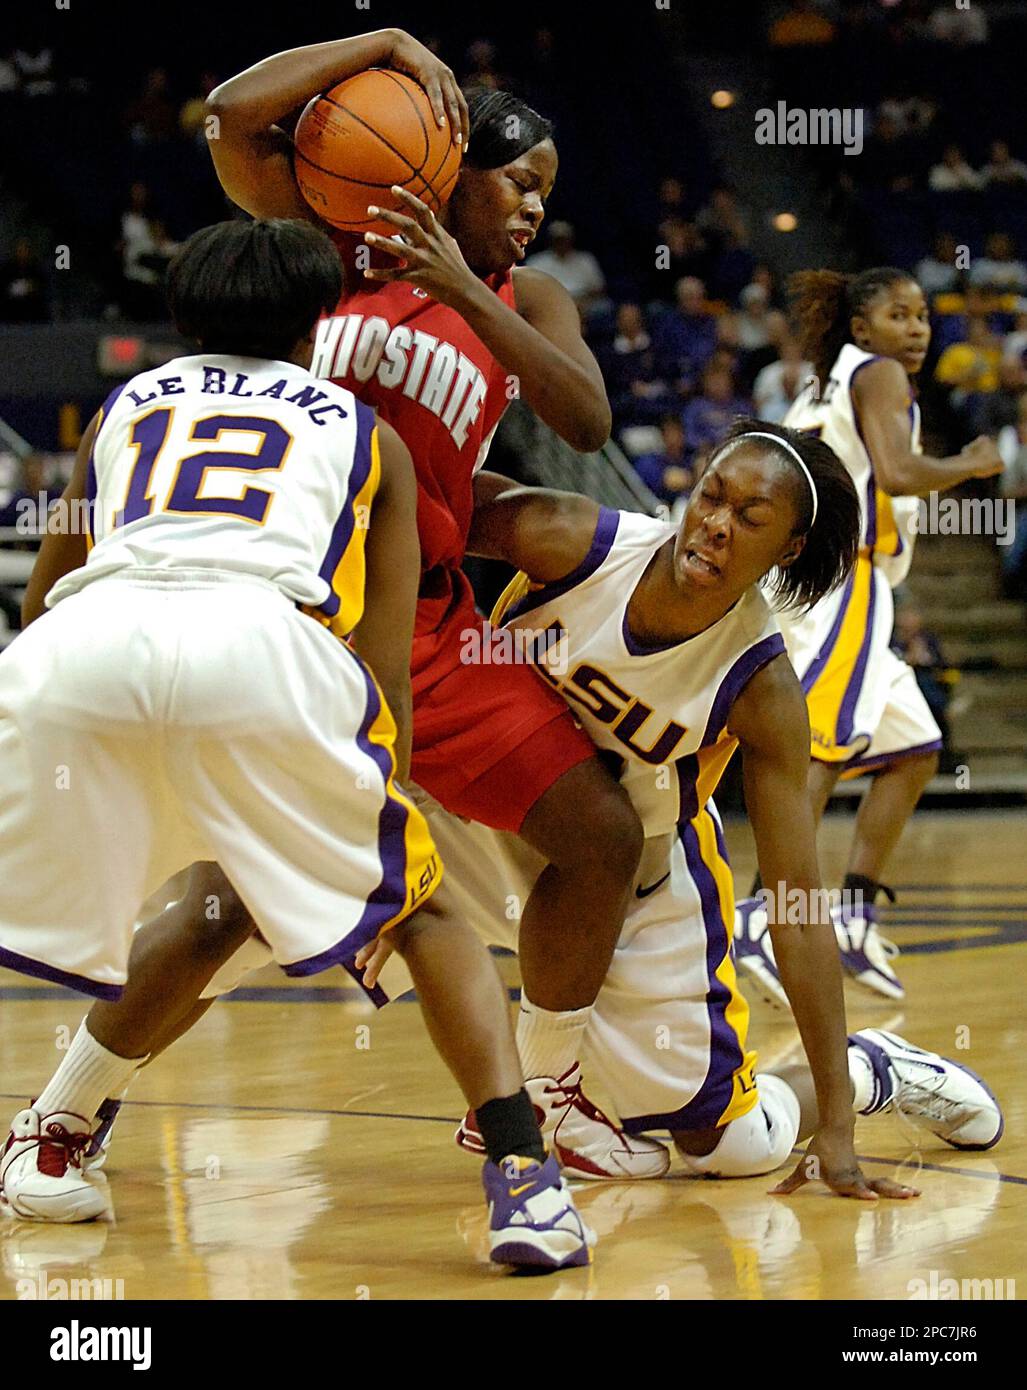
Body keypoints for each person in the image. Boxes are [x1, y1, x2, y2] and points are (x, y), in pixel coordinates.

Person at [11, 28, 656, 1183]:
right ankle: (63, 1114)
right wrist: (387, 44)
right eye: (517, 182)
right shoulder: (329, 247)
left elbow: (586, 420)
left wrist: (468, 287)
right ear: (440, 167)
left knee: (599, 837)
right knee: (234, 904)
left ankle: (545, 1091)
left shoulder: (527, 296)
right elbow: (231, 113)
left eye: (547, 192)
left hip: (433, 618)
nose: (534, 210)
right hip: (291, 607)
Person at [52, 422, 1003, 1194]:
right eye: (709, 495)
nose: (713, 525)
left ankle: (880, 1072)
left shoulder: (759, 687)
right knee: (235, 899)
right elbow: (413, 495)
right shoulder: (571, 541)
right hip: (471, 809)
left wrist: (835, 1125)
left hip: (628, 883)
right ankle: (63, 1118)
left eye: (747, 517)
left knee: (734, 1147)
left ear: (785, 547)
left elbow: (794, 914)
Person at [0, 219, 592, 1272]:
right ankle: (521, 1175)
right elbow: (380, 648)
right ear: (319, 321)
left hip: (76, 657)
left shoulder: (129, 400)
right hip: (256, 651)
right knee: (425, 910)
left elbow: (46, 590)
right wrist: (385, 791)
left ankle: (50, 1136)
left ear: (181, 316)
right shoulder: (368, 433)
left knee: (221, 899)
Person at [733, 268, 1003, 1008]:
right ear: (861, 328)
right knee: (818, 745)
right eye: (896, 314)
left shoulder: (827, 382)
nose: (915, 328)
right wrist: (971, 464)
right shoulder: (879, 375)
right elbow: (898, 470)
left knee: (913, 747)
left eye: (921, 315)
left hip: (836, 577)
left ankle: (850, 914)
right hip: (842, 579)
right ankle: (763, 911)